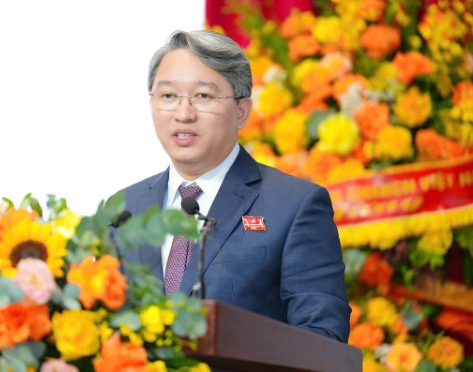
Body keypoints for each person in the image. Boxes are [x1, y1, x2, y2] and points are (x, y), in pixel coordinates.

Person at [115, 29, 351, 343]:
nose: (184, 114)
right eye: (168, 96)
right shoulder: (125, 209)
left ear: (241, 112)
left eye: (203, 96)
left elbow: (323, 339)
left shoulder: (294, 206)